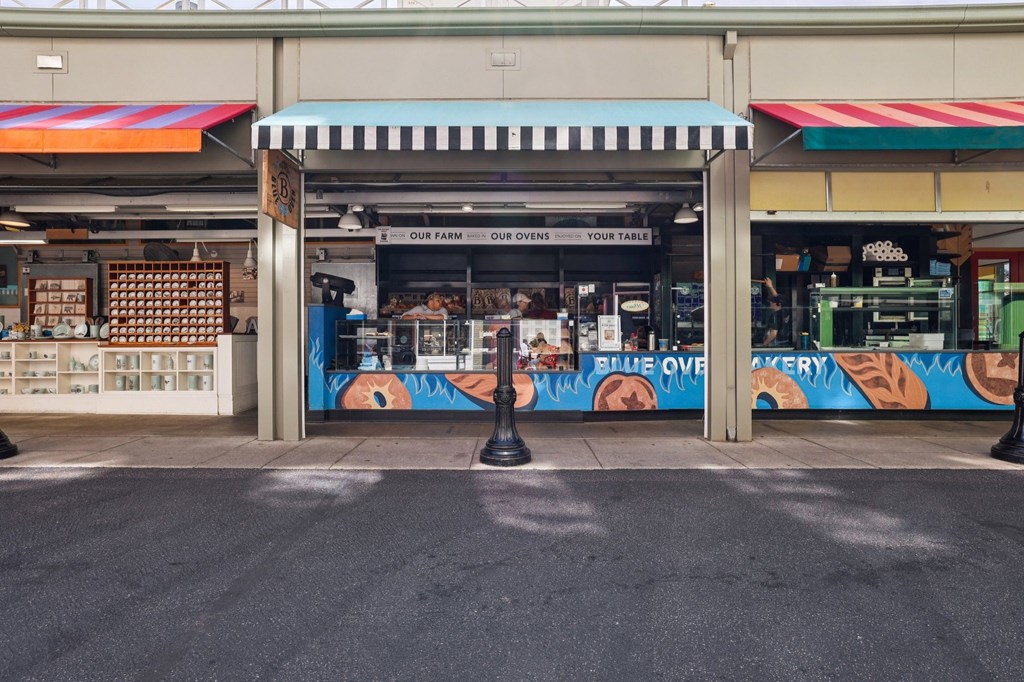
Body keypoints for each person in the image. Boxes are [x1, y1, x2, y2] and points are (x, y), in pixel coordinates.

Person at [761, 277, 791, 347]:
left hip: (777, 343)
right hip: (785, 341)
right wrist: (770, 286)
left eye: (772, 302)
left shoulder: (776, 315)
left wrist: (764, 344)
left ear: (778, 304)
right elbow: (777, 297)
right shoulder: (785, 311)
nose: (770, 303)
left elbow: (774, 333)